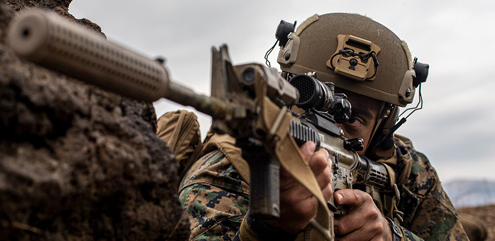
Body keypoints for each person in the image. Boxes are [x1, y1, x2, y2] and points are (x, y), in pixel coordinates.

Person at [178, 13, 469, 241]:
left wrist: (391, 234)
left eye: (354, 118)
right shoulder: (229, 166)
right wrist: (267, 229)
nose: (335, 123)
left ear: (384, 125)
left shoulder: (408, 171)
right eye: (308, 103)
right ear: (285, 93)